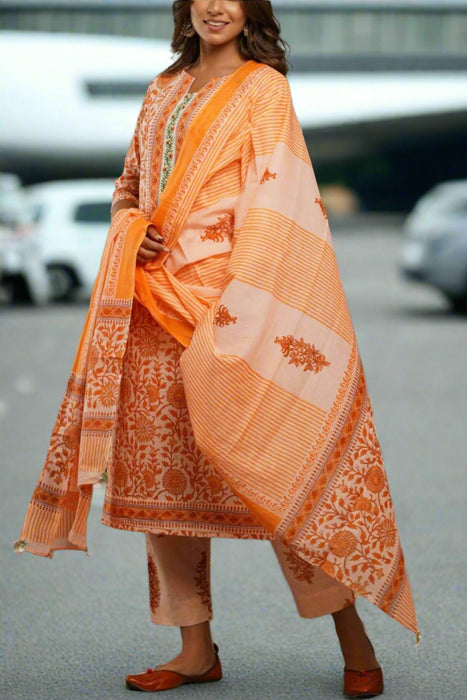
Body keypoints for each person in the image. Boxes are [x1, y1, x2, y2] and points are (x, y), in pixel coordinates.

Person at [16, 1, 419, 696]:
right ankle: (195, 649)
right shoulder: (163, 88)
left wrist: (238, 311)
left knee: (279, 474)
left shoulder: (264, 89)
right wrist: (131, 224)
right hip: (151, 309)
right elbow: (128, 186)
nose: (214, 6)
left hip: (234, 310)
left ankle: (355, 642)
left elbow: (277, 205)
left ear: (250, 8)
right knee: (164, 488)